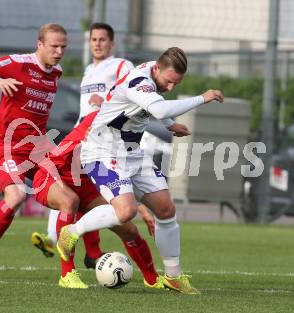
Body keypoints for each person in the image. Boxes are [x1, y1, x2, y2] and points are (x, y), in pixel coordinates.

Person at [57, 47, 224, 294]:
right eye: (169, 82)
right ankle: (70, 233)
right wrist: (203, 97)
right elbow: (159, 108)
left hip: (132, 152)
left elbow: (153, 107)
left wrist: (169, 125)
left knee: (166, 209)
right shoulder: (139, 81)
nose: (170, 88)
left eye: (175, 83)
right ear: (157, 69)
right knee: (125, 212)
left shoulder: (154, 73)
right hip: (101, 153)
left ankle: (173, 276)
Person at [0, 23, 68, 279]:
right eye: (54, 46)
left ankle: (76, 254)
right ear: (40, 44)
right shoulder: (18, 63)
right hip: (8, 147)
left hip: (37, 149)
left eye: (63, 46)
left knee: (71, 193)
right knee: (17, 196)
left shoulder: (57, 72)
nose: (59, 51)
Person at [32, 111, 176, 289]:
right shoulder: (92, 128)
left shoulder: (125, 134)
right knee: (70, 201)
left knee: (128, 228)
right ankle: (67, 274)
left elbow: (122, 181)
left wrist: (143, 210)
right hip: (52, 176)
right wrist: (65, 191)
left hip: (86, 187)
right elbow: (53, 162)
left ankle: (152, 279)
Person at [30, 22, 134, 267]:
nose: (97, 43)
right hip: (81, 135)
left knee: (87, 192)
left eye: (102, 39)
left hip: (104, 139)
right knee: (67, 187)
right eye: (93, 39)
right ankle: (67, 242)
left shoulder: (120, 66)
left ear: (112, 43)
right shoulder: (89, 70)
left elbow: (135, 93)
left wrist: (107, 100)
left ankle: (79, 245)